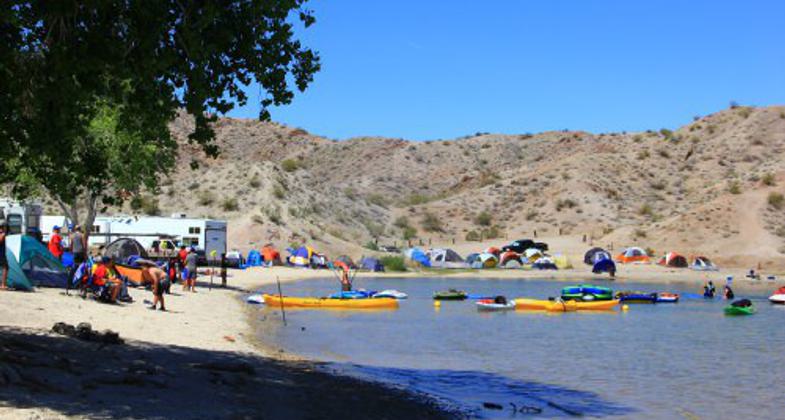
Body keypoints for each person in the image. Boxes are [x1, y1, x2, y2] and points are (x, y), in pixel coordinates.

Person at [0, 224, 8, 290]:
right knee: (5, 267)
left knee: (5, 267)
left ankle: (3, 284)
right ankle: (2, 284)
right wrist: (3, 235)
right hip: (1, 254)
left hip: (2, 253)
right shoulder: (2, 234)